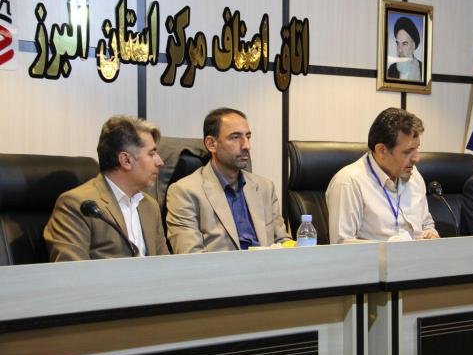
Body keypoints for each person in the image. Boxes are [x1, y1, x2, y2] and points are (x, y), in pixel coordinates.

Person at [44, 116, 170, 261]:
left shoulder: (150, 206)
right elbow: (72, 271)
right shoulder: (78, 205)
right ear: (126, 160)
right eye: (152, 154)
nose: (160, 162)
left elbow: (165, 265)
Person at [166, 107, 291, 253]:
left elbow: (283, 242)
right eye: (235, 137)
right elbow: (192, 257)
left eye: (248, 137)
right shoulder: (184, 192)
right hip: (221, 268)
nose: (247, 146)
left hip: (267, 266)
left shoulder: (265, 187)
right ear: (211, 144)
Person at [326, 107, 439, 243]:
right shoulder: (349, 182)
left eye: (417, 148)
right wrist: (390, 248)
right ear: (381, 150)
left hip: (418, 256)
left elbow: (426, 224)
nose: (417, 158)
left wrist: (431, 235)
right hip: (379, 257)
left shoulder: (414, 175)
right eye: (408, 151)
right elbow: (342, 244)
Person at [387, 17, 422, 81]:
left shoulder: (422, 69)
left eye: (404, 44)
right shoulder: (392, 70)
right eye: (398, 43)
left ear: (413, 46)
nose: (399, 50)